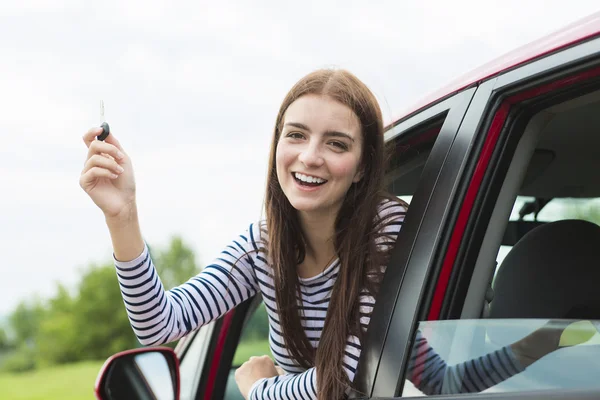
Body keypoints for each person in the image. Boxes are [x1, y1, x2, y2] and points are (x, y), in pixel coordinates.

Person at [80, 69, 577, 399]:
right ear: (277, 145)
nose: (310, 156)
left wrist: (257, 389)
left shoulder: (386, 230)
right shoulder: (263, 243)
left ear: (361, 168)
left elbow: (343, 382)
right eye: (295, 135)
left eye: (335, 143)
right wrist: (122, 217)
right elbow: (162, 327)